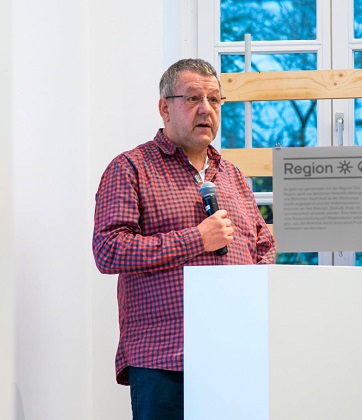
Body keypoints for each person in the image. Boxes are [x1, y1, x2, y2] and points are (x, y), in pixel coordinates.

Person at [92, 58, 276, 419]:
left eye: (214, 100)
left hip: (234, 356)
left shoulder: (234, 176)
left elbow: (263, 245)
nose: (206, 109)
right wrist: (196, 240)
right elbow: (108, 250)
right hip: (164, 359)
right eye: (193, 99)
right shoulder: (131, 168)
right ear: (165, 108)